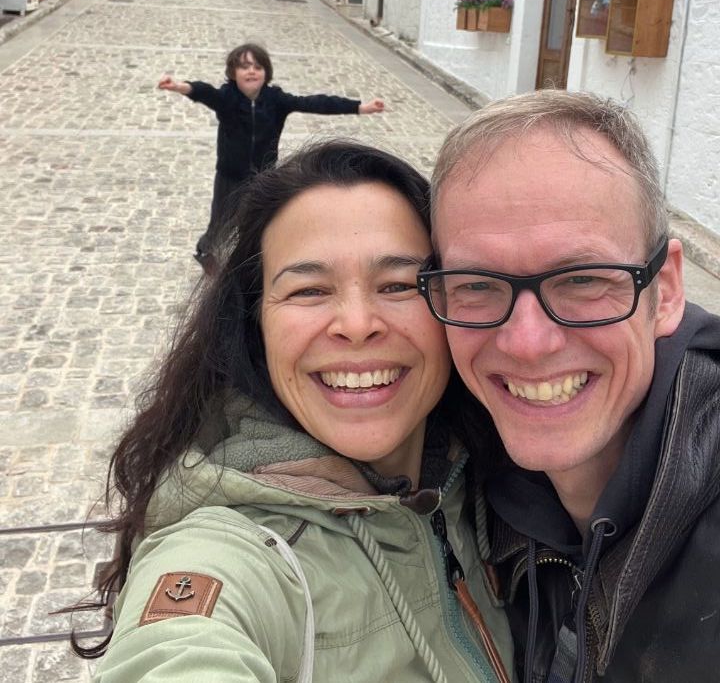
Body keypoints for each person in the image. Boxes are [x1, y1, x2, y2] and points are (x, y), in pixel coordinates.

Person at [74, 141, 514, 683]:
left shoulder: (496, 476)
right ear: (255, 324)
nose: (356, 324)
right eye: (308, 290)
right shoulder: (226, 554)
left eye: (398, 284)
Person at [419, 89, 720, 683]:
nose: (528, 343)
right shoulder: (457, 462)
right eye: (477, 284)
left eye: (582, 279)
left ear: (665, 290)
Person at [157, 43, 386, 273]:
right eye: (244, 67)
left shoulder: (276, 99)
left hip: (263, 175)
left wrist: (360, 107)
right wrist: (179, 86)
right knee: (221, 224)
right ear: (233, 73)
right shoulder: (227, 98)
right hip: (230, 176)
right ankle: (206, 251)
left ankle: (253, 264)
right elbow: (205, 92)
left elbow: (315, 103)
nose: (251, 71)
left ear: (265, 72)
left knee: (259, 222)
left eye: (257, 66)